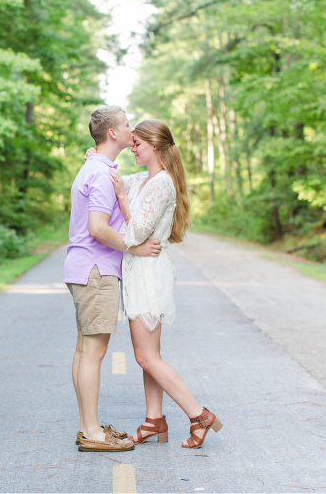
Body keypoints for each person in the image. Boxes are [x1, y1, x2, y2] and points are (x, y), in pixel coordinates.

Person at [88, 119, 222, 449]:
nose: (132, 149)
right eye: (131, 143)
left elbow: (136, 232)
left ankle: (199, 415)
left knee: (147, 357)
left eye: (137, 144)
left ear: (155, 147)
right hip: (140, 271)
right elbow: (115, 177)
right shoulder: (145, 180)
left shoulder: (162, 183)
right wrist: (96, 157)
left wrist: (120, 195)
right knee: (150, 354)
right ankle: (153, 420)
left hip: (149, 274)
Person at [65, 106, 162, 452]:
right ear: (112, 134)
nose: (130, 127)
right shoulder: (101, 173)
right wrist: (133, 248)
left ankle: (86, 426)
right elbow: (97, 228)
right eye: (125, 124)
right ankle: (91, 432)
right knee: (93, 351)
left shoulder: (97, 166)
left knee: (84, 350)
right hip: (96, 269)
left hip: (85, 268)